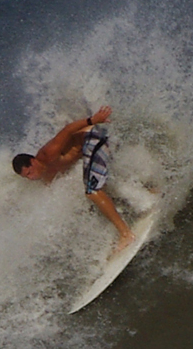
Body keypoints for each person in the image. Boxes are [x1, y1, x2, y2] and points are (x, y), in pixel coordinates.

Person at [12, 105, 136, 254]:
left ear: (33, 161)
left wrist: (93, 120)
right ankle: (148, 192)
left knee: (92, 191)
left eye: (29, 172)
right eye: (27, 177)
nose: (31, 178)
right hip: (94, 147)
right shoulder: (45, 176)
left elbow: (68, 130)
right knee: (96, 190)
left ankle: (125, 234)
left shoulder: (47, 154)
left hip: (95, 136)